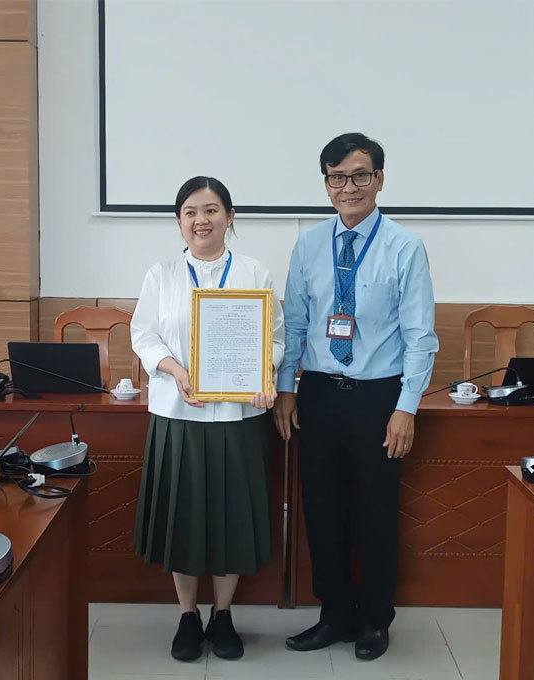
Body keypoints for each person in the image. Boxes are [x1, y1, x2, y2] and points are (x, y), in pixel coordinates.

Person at [274, 133, 438, 661]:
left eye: (360, 175)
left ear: (379, 180)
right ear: (326, 183)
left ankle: (374, 620)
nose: (349, 186)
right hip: (319, 394)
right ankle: (334, 615)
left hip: (377, 398)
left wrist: (406, 408)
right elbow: (295, 323)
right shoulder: (308, 244)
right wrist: (284, 389)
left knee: (373, 513)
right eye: (337, 176)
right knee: (321, 511)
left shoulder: (403, 247)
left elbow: (420, 336)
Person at [131, 176, 284, 662]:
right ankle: (187, 615)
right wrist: (173, 368)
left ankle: (222, 614)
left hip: (238, 415)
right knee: (184, 518)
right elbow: (143, 334)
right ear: (179, 221)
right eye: (191, 211)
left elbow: (275, 337)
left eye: (212, 210)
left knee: (230, 518)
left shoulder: (255, 274)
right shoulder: (162, 274)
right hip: (178, 415)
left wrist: (267, 371)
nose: (202, 220)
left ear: (230, 217)